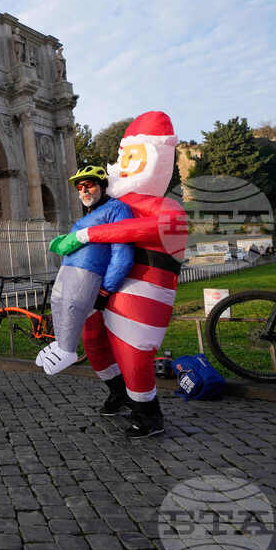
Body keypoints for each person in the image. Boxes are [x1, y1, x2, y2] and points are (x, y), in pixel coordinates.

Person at [50, 111, 188, 438]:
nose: (121, 164)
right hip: (111, 284)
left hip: (147, 285)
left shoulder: (166, 207)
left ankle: (149, 412)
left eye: (130, 156)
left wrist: (88, 236)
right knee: (92, 338)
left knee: (133, 347)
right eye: (121, 156)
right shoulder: (114, 205)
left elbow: (145, 228)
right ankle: (119, 391)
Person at [37, 166, 135, 417]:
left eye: (89, 184)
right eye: (79, 187)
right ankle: (118, 392)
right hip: (72, 279)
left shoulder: (116, 209)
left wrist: (106, 290)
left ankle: (139, 400)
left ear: (102, 185)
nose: (84, 190)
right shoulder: (82, 220)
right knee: (92, 343)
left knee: (117, 345)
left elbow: (122, 253)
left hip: (99, 287)